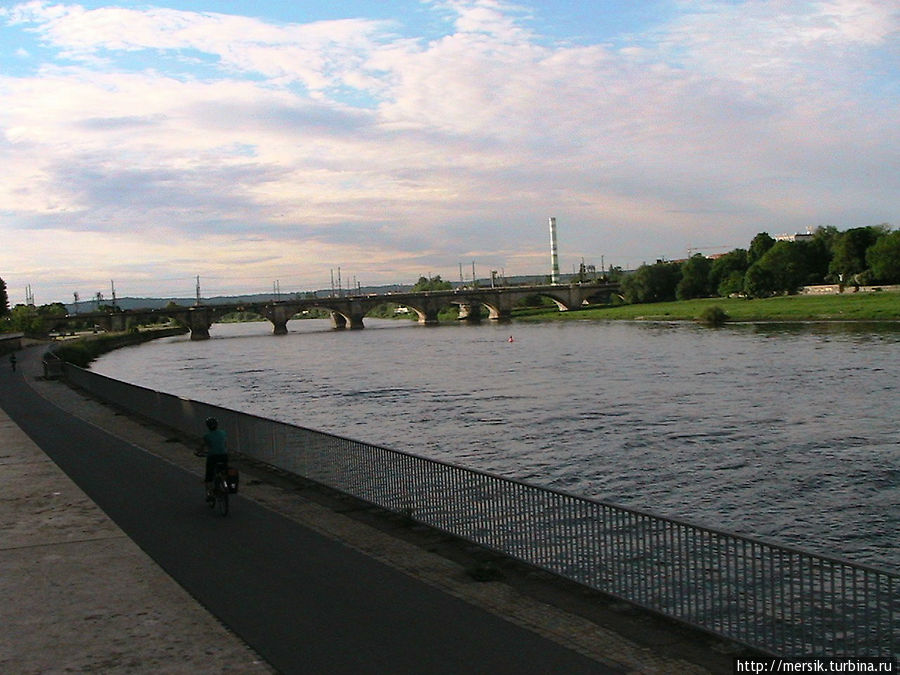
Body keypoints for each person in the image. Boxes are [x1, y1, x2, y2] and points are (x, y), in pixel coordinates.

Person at [198, 417, 227, 501]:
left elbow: (202, 446)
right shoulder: (223, 433)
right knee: (223, 471)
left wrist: (199, 452)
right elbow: (224, 444)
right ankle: (224, 483)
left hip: (213, 456)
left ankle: (210, 494)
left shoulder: (207, 436)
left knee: (209, 477)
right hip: (224, 455)